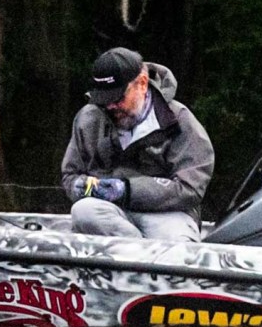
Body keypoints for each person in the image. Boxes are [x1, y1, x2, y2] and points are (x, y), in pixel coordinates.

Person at [61, 47, 215, 242]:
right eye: (103, 100)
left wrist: (126, 190)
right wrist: (81, 187)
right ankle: (141, 252)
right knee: (82, 211)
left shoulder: (178, 120)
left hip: (168, 214)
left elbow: (190, 188)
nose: (110, 106)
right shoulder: (88, 118)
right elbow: (70, 175)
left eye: (118, 98)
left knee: (176, 243)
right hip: (109, 211)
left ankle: (138, 254)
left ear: (142, 83)